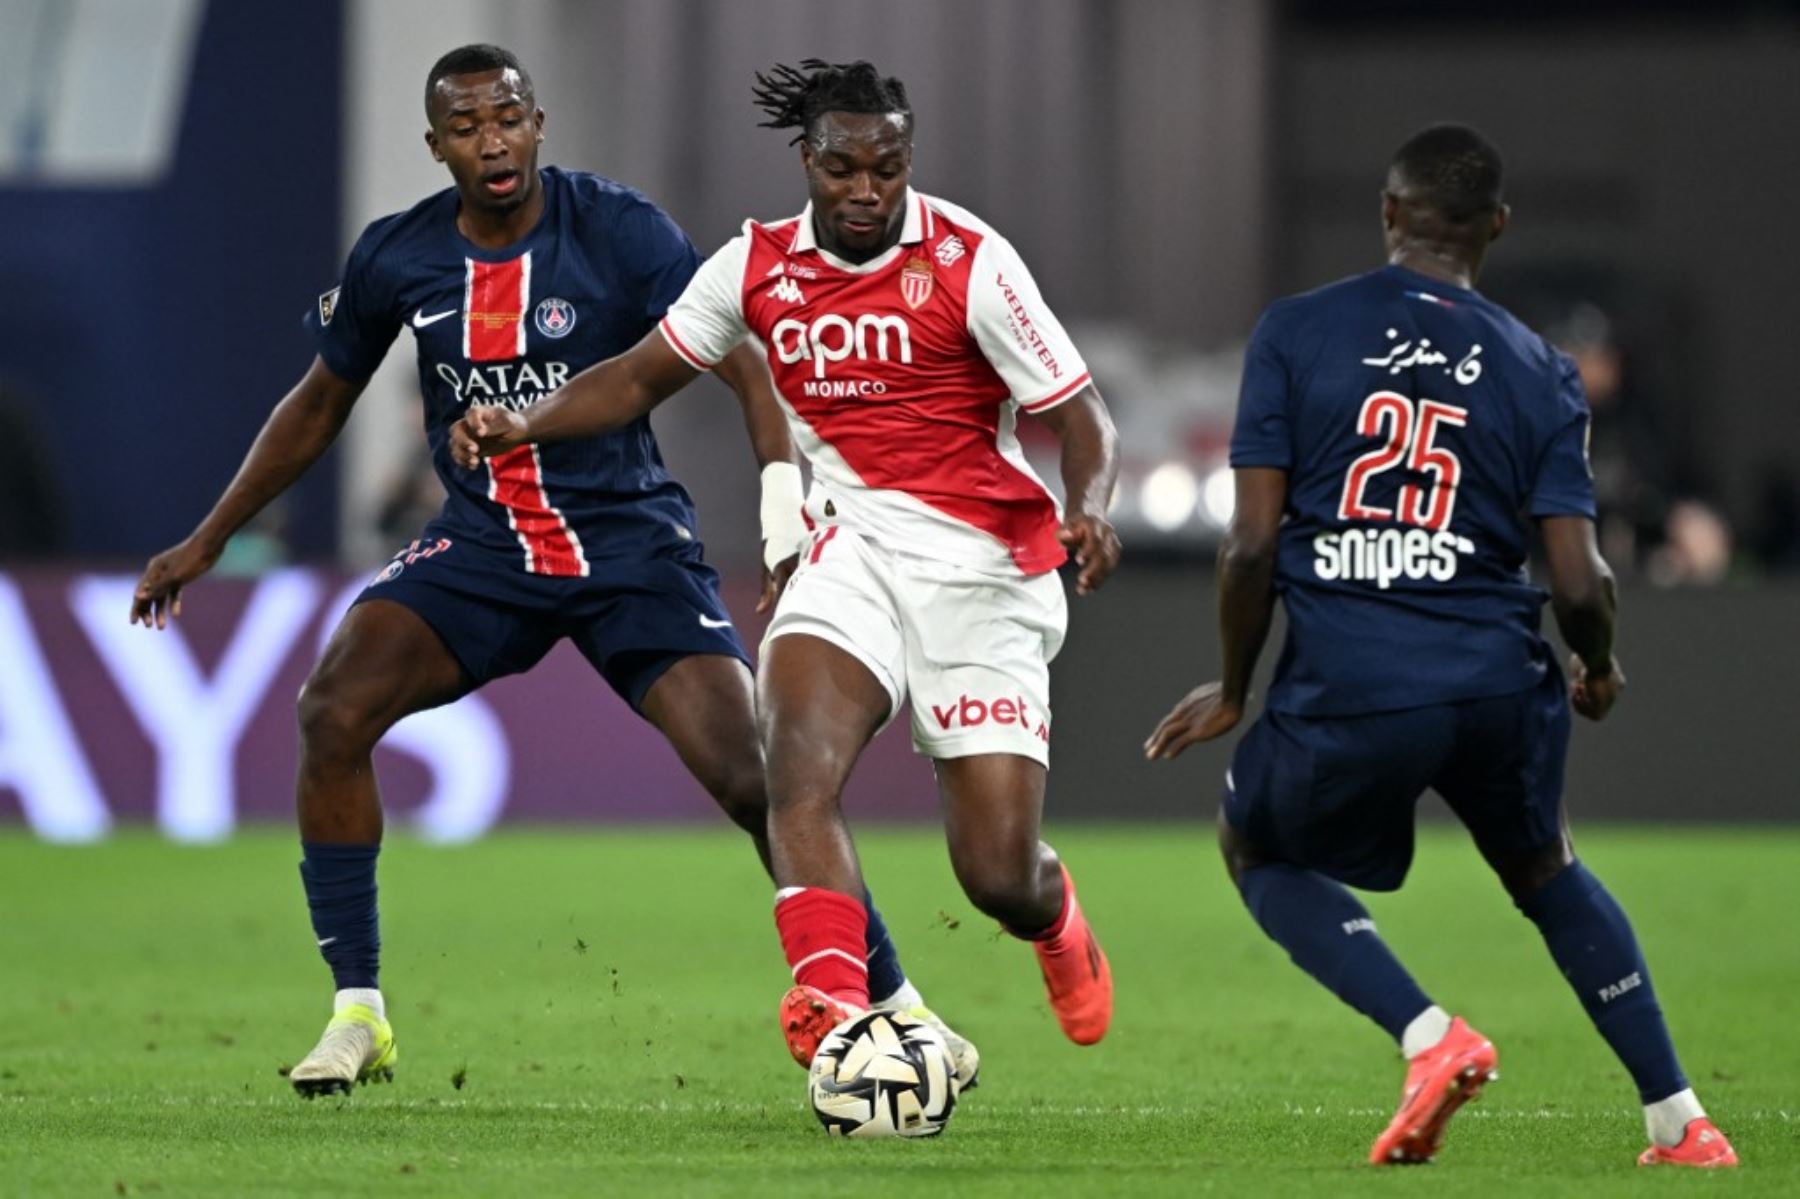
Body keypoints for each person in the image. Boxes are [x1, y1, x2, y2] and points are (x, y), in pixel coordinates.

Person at [127, 44, 973, 1098]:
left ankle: (898, 1009)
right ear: (436, 144)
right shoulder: (399, 258)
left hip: (631, 550)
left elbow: (744, 353)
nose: (494, 141)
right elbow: (318, 403)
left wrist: (778, 499)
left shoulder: (618, 228)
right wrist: (209, 537)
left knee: (762, 779)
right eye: (470, 126)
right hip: (485, 552)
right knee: (331, 706)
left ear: (540, 123)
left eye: (510, 118)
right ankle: (358, 1013)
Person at [451, 59, 1123, 1072]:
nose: (866, 190)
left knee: (995, 874)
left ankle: (1053, 911)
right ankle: (838, 1005)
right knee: (794, 765)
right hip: (847, 543)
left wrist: (1090, 506)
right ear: (808, 162)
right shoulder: (754, 266)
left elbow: (1080, 413)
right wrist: (524, 422)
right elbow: (638, 375)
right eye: (845, 168)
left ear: (908, 162)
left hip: (983, 567)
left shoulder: (970, 259)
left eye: (887, 169)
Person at [1144, 124, 1737, 1169]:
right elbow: (1578, 577)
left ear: (1388, 213)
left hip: (1358, 678)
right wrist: (1596, 663)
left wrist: (1236, 683)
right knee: (1547, 868)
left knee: (1261, 848)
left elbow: (1250, 545)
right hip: (1500, 679)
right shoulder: (1542, 370)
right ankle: (1682, 1119)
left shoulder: (1294, 331)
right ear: (1495, 229)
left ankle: (1430, 1035)